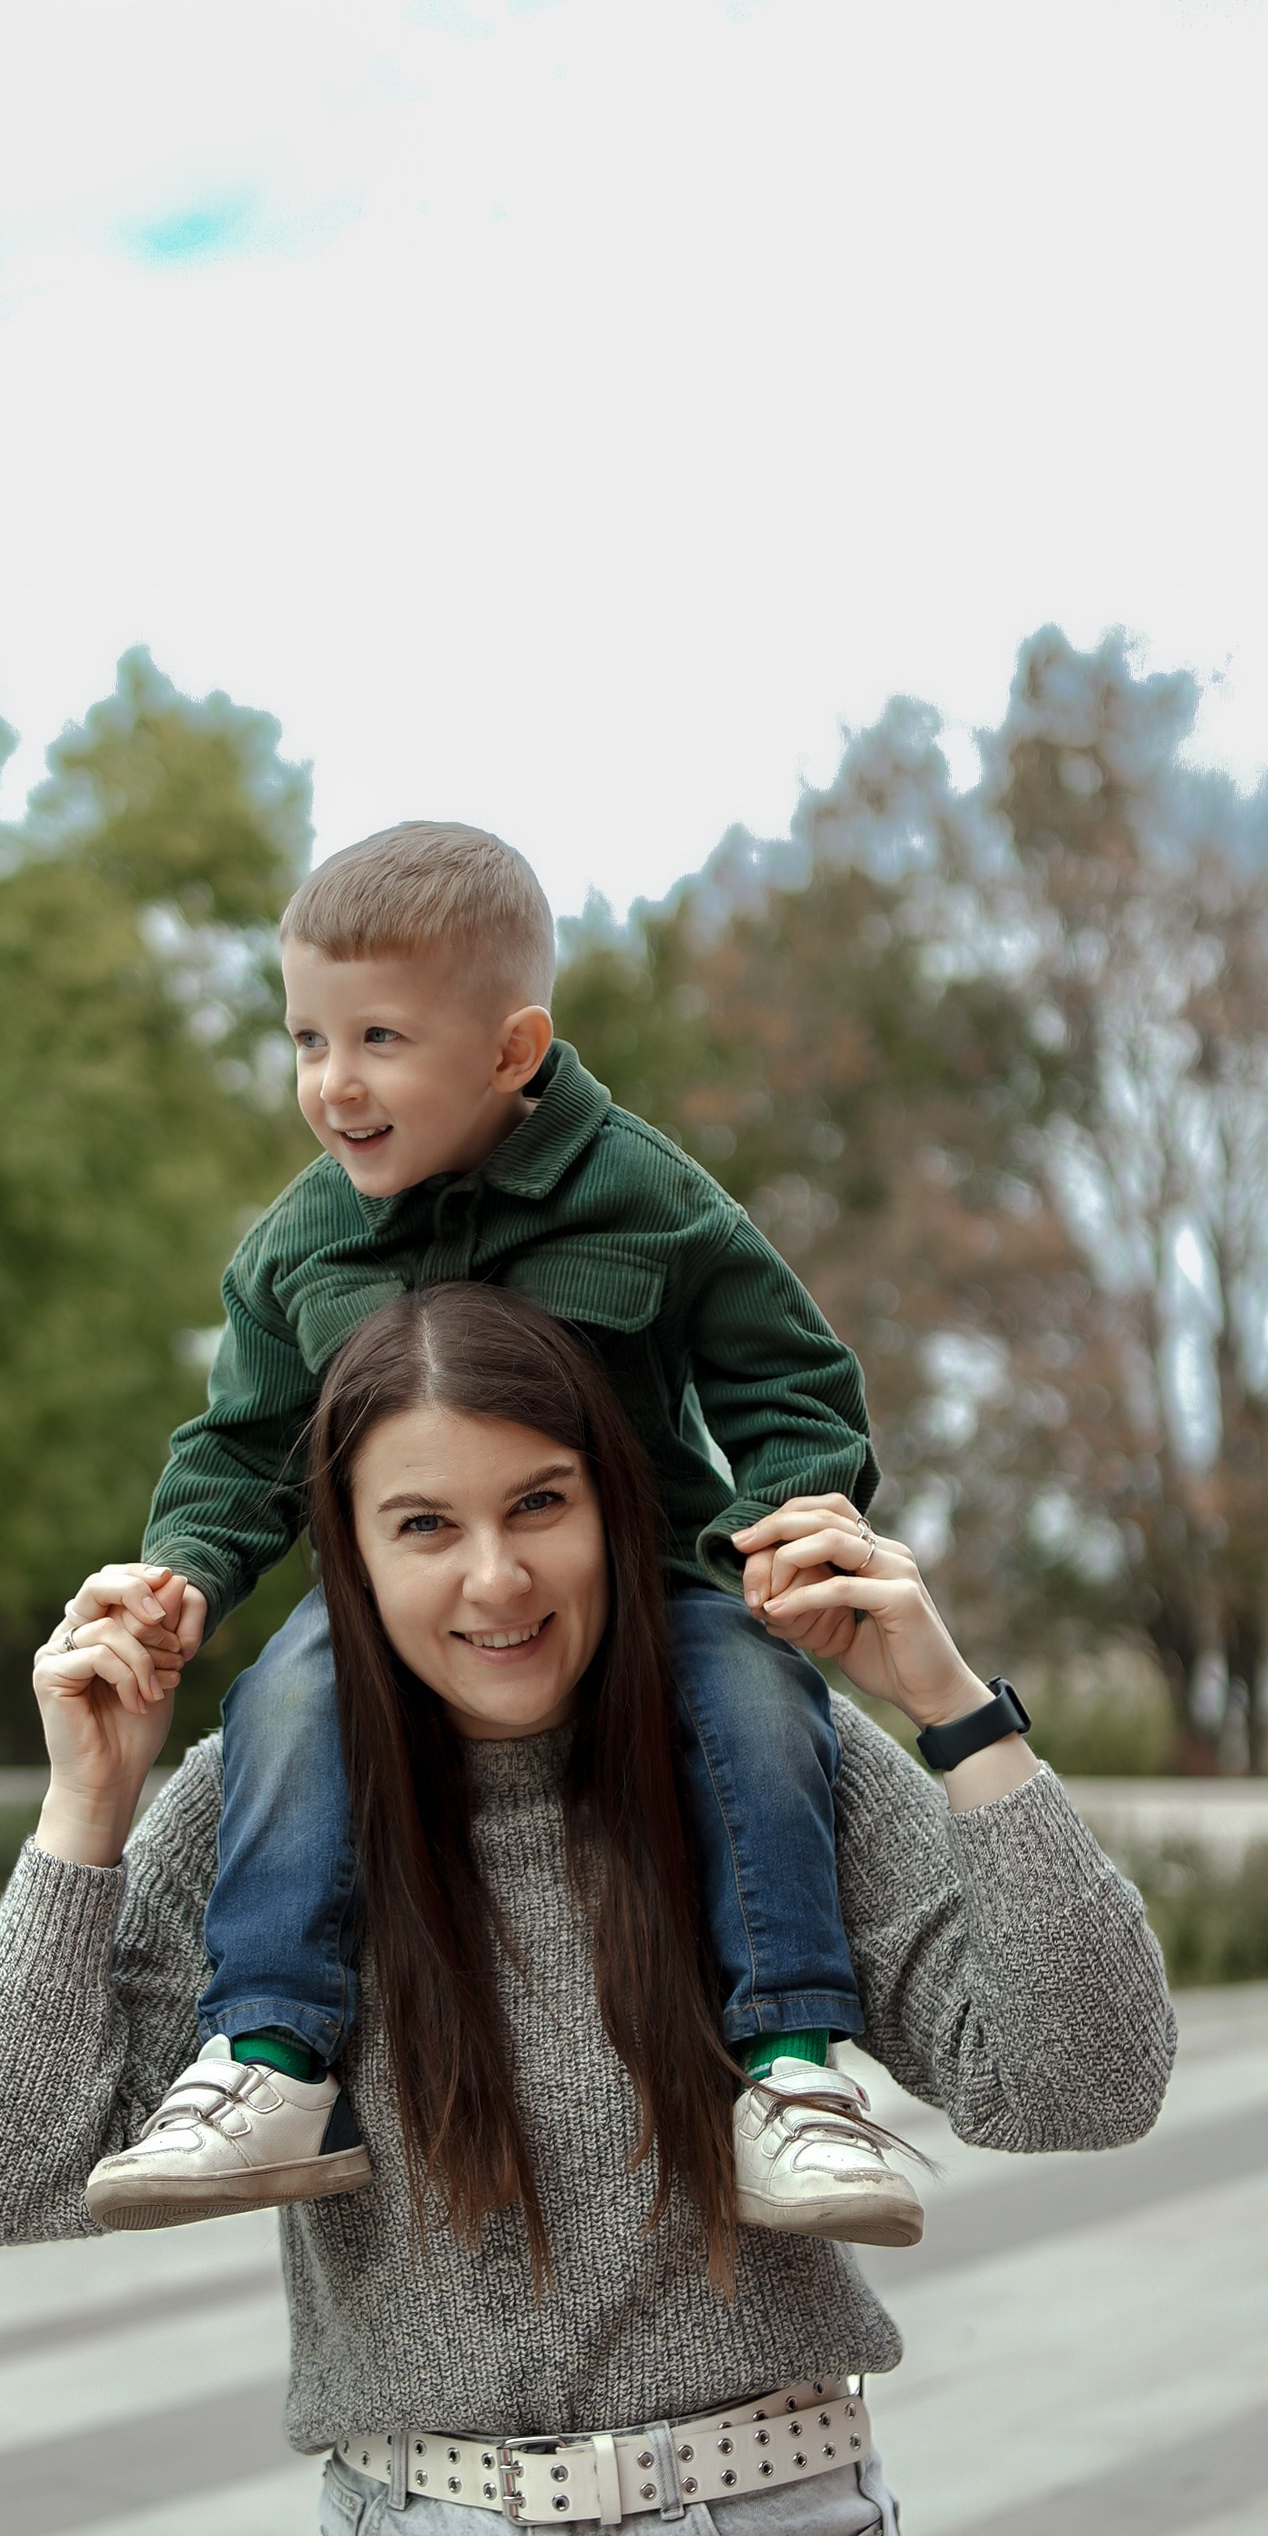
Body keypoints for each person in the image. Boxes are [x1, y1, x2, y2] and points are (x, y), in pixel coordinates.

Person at [0, 1281, 1174, 2536]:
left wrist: (957, 1715)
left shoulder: (761, 1768)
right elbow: (2, 2165)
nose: (492, 1582)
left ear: (614, 1504)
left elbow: (1083, 2075)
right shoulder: (272, 1807)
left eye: (537, 1506)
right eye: (421, 1524)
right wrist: (83, 1821)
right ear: (347, 1552)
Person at [71, 818, 956, 2251]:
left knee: (747, 1683)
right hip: (396, 1613)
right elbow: (236, 1442)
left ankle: (792, 2069)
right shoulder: (295, 1247)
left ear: (510, 1049)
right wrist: (183, 1574)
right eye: (305, 1037)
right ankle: (271, 2055)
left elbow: (790, 1378)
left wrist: (768, 1540)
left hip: (639, 1591)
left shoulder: (648, 1199)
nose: (330, 1082)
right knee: (292, 1690)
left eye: (376, 1038)